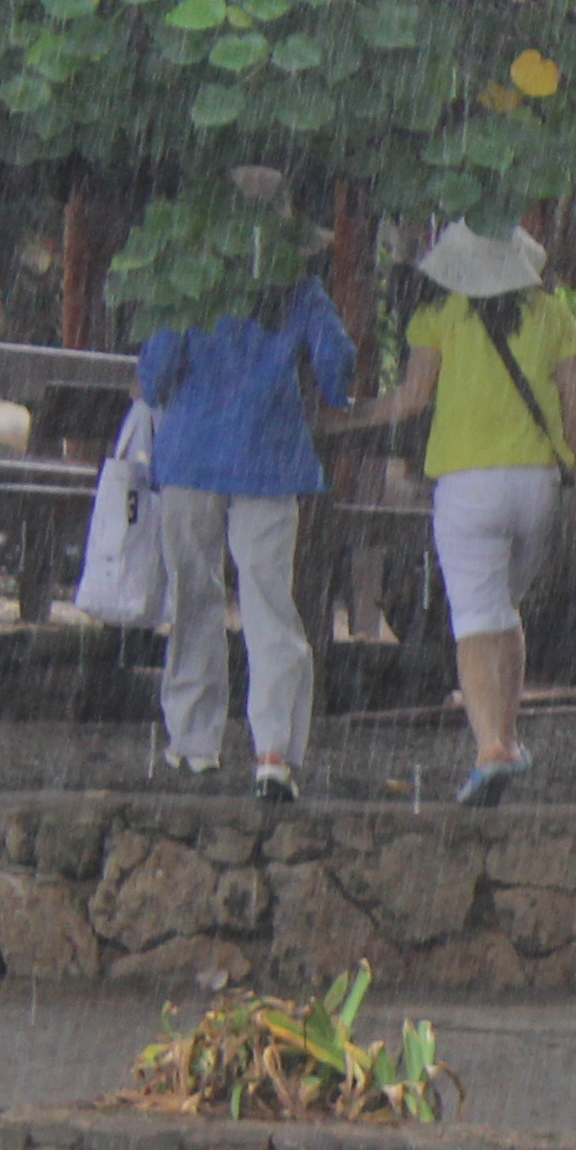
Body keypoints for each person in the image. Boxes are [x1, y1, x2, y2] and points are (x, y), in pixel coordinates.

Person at [336, 220, 576, 809]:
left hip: (467, 484)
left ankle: (489, 750)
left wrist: (344, 418)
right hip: (538, 483)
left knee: (476, 618)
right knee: (506, 608)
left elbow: (411, 399)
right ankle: (510, 736)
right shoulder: (553, 316)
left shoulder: (441, 316)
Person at [134, 189, 352, 809]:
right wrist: (333, 392)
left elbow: (155, 374)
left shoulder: (190, 288)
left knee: (195, 595)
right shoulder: (300, 292)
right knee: (268, 603)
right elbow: (337, 362)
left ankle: (195, 740)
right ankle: (274, 751)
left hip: (191, 459)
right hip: (270, 461)